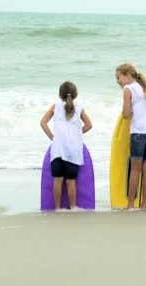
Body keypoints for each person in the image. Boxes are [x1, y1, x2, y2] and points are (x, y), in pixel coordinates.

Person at [40, 81, 93, 211]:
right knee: (71, 181)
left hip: (57, 149)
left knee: (57, 181)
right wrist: (76, 134)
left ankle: (57, 209)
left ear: (59, 94)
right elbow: (89, 125)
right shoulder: (79, 107)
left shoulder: (55, 106)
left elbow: (43, 123)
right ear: (75, 95)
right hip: (73, 150)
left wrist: (53, 138)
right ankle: (73, 207)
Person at [115, 63, 146, 209]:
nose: (118, 82)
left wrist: (125, 112)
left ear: (128, 75)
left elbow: (126, 115)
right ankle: (145, 205)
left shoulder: (128, 89)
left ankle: (130, 206)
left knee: (135, 170)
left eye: (118, 77)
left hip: (139, 133)